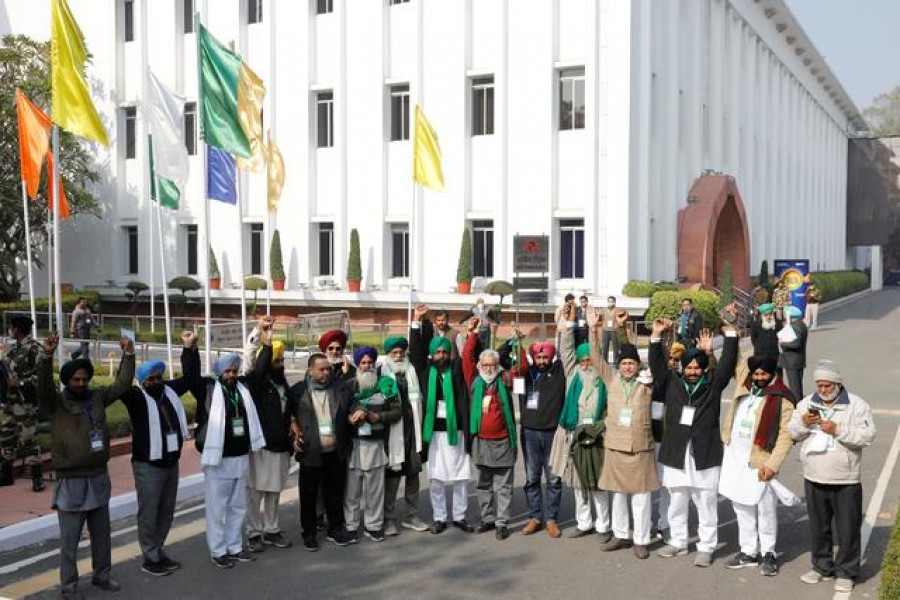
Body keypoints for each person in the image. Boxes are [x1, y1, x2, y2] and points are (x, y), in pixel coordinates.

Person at [37, 332, 135, 599]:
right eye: (75, 379)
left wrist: (129, 355)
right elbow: (43, 388)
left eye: (84, 379)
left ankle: (102, 576)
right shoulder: (56, 403)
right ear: (67, 381)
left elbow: (122, 385)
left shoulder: (96, 398)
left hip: (98, 476)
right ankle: (69, 587)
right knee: (70, 541)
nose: (80, 383)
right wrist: (46, 356)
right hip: (71, 481)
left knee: (102, 535)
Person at [650, 318, 738, 567]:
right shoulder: (671, 383)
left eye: (696, 368)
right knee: (676, 499)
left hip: (705, 452)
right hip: (676, 451)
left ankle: (707, 546)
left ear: (702, 369)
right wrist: (656, 336)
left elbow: (727, 364)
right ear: (681, 368)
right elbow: (657, 366)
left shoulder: (713, 384)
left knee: (706, 501)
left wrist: (730, 335)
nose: (692, 372)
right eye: (688, 368)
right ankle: (677, 541)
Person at [115, 332, 199, 576]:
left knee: (166, 511)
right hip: (148, 465)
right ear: (142, 381)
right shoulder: (135, 397)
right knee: (149, 513)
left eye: (158, 377)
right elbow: (122, 383)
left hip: (171, 462)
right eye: (150, 379)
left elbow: (192, 378)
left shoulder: (168, 391)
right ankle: (150, 557)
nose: (155, 381)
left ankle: (158, 551)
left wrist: (189, 349)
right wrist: (127, 355)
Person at [790, 360, 875, 595]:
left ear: (837, 384)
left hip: (845, 478)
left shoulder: (856, 405)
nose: (823, 390)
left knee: (847, 529)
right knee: (819, 526)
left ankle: (847, 572)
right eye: (820, 385)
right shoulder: (806, 404)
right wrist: (804, 424)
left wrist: (837, 429)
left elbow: (867, 436)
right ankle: (821, 566)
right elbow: (792, 432)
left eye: (827, 385)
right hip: (814, 475)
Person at [719, 354, 795, 577]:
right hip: (735, 459)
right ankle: (749, 551)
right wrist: (729, 334)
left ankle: (769, 552)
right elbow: (737, 362)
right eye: (756, 373)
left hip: (760, 461)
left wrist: (773, 464)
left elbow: (785, 435)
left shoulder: (782, 397)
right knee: (741, 506)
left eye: (764, 374)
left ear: (772, 374)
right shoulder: (746, 385)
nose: (759, 377)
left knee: (765, 509)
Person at [590, 310, 657, 559]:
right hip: (616, 445)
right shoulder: (612, 379)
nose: (628, 366)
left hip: (640, 446)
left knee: (641, 497)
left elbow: (656, 361)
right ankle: (620, 535)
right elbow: (596, 357)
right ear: (619, 365)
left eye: (631, 363)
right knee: (617, 495)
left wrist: (630, 331)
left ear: (638, 365)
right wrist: (593, 328)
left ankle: (641, 539)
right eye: (624, 363)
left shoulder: (647, 383)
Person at [193, 354, 265, 569]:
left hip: (241, 457)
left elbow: (259, 372)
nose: (232, 375)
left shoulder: (242, 389)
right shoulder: (209, 389)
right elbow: (190, 376)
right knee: (217, 509)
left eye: (235, 371)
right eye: (228, 371)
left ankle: (235, 546)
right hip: (219, 460)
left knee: (238, 507)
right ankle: (218, 550)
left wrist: (267, 344)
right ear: (220, 373)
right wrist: (190, 349)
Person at [549, 307, 611, 542]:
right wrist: (569, 323)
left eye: (589, 360)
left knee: (597, 484)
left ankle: (603, 526)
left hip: (597, 436)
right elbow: (566, 350)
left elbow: (598, 353)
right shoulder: (572, 373)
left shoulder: (603, 377)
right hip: (573, 434)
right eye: (582, 360)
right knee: (577, 483)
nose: (585, 363)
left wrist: (595, 329)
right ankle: (584, 523)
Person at [410, 304, 473, 535]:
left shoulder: (456, 370)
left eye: (445, 352)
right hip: (434, 433)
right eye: (438, 352)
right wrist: (417, 322)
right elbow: (416, 352)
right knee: (436, 479)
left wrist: (473, 334)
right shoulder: (427, 371)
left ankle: (459, 516)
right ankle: (439, 517)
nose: (442, 356)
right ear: (433, 354)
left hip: (455, 431)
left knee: (460, 478)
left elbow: (469, 357)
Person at [461, 322, 525, 541]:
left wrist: (519, 344)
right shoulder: (474, 380)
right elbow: (467, 357)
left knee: (504, 486)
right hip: (481, 441)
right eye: (485, 365)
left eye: (492, 365)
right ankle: (487, 519)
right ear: (481, 365)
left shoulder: (506, 379)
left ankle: (502, 522)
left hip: (504, 440)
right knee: (483, 484)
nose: (488, 368)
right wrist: (473, 334)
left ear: (497, 365)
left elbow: (522, 368)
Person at [499, 334, 566, 539]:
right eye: (539, 358)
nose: (542, 361)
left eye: (546, 358)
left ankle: (552, 519)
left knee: (553, 479)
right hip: (529, 433)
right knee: (532, 478)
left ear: (551, 358)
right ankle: (535, 517)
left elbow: (568, 351)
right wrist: (513, 341)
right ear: (533, 358)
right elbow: (503, 358)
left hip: (552, 434)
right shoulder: (523, 374)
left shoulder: (558, 373)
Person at [288, 353, 353, 551]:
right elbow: (287, 414)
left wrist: (358, 412)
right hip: (311, 450)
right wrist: (292, 426)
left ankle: (336, 528)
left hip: (335, 449)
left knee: (335, 493)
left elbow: (353, 403)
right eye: (321, 369)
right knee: (308, 495)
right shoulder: (298, 391)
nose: (326, 372)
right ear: (310, 370)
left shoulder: (340, 387)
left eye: (328, 369)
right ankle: (309, 533)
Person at [244, 318, 294, 553]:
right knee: (256, 491)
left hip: (281, 445)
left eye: (282, 360)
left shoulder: (282, 383)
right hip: (261, 446)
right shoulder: (258, 384)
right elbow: (256, 366)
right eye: (277, 360)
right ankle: (254, 532)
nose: (280, 364)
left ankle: (271, 529)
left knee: (274, 490)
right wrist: (263, 338)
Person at [342, 346, 399, 543]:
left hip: (375, 443)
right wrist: (351, 418)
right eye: (363, 363)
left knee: (375, 490)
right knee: (352, 490)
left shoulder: (386, 384)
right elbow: (342, 411)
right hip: (355, 444)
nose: (367, 366)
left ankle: (373, 526)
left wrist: (378, 416)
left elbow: (397, 411)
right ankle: (351, 526)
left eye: (370, 362)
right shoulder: (350, 385)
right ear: (358, 365)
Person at [378, 336, 429, 536]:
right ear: (388, 355)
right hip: (392, 433)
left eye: (401, 353)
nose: (398, 356)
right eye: (394, 353)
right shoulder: (381, 372)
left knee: (413, 475)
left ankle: (411, 516)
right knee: (391, 478)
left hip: (412, 430)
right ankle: (389, 518)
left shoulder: (412, 371)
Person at [0, 359, 43, 491]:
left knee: (28, 440)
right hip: (8, 405)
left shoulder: (33, 349)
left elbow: (40, 376)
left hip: (24, 404)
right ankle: (6, 475)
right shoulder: (7, 358)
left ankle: (37, 478)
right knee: (5, 438)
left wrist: (21, 383)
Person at [778, 306, 808, 400]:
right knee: (798, 385)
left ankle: (797, 406)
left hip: (792, 361)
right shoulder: (801, 324)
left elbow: (796, 344)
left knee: (794, 388)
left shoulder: (795, 327)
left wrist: (782, 343)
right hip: (798, 360)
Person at [598, 296, 625, 364]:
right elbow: (603, 318)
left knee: (615, 348)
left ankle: (615, 362)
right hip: (605, 331)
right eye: (609, 301)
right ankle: (604, 362)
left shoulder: (618, 310)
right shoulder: (603, 310)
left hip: (614, 330)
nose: (610, 302)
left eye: (612, 301)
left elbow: (622, 316)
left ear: (614, 302)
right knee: (605, 347)